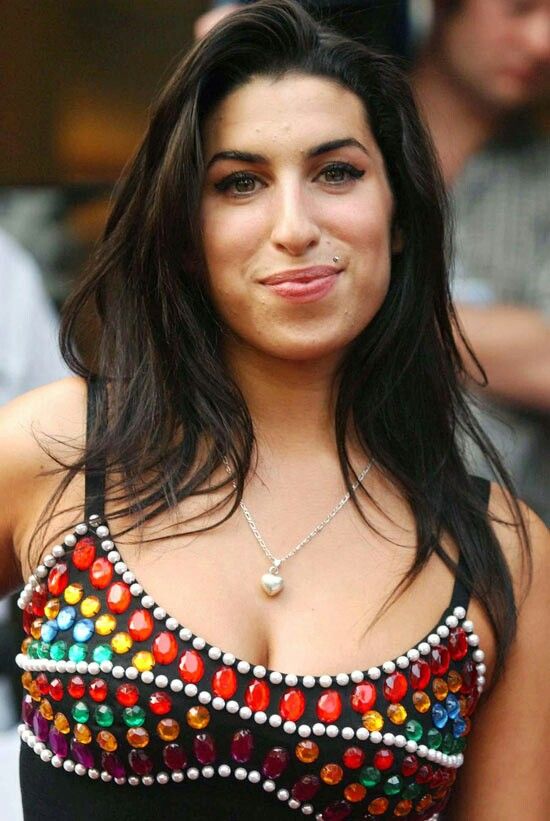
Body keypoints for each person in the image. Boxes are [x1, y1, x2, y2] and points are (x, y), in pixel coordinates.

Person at [0, 1, 547, 819]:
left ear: (398, 214)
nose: (294, 227)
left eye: (338, 173)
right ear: (187, 229)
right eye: (239, 182)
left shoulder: (509, 557)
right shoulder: (60, 446)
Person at [410, 0, 550, 523]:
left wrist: (353, 307)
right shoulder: (341, 138)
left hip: (510, 556)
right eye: (519, 9)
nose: (543, 42)